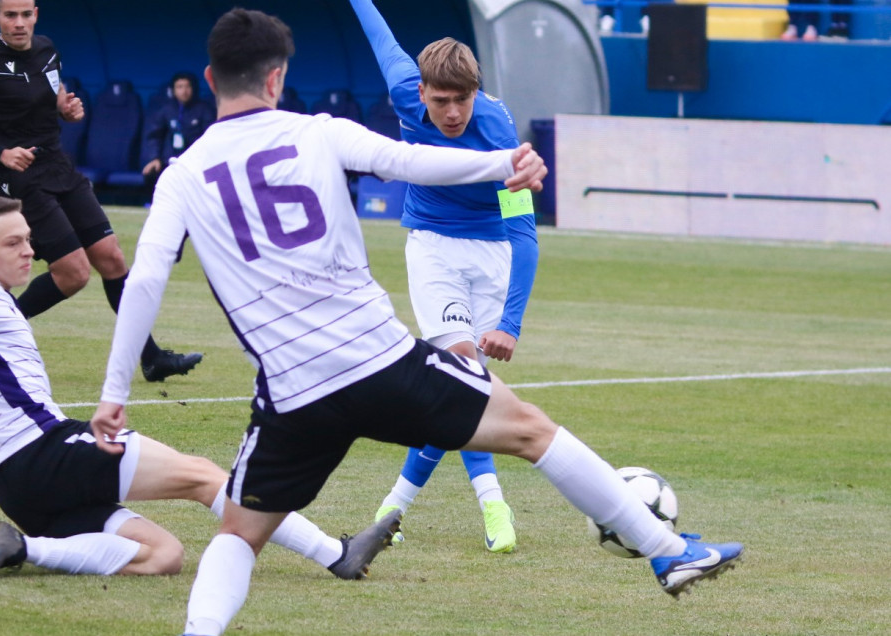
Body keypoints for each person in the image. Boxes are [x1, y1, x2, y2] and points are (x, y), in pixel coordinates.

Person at [90, 9, 744, 636]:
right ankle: (665, 550)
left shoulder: (180, 177)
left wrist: (115, 392)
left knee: (239, 534)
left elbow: (145, 280)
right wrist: (503, 164)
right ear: (276, 78)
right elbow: (409, 162)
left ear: (209, 80)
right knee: (532, 431)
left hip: (292, 394)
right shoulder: (319, 131)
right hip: (380, 363)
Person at [0, 194, 397, 580]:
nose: (31, 252)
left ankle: (26, 548)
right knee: (204, 477)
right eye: (14, 243)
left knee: (163, 555)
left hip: (16, 486)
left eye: (29, 239)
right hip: (44, 454)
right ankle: (336, 554)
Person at [350, 0, 539, 553]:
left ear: (476, 93)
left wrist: (511, 322)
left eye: (462, 99)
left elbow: (523, 232)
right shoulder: (405, 89)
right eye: (441, 100)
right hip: (432, 250)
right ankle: (494, 504)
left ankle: (393, 508)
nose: (452, 111)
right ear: (422, 93)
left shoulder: (499, 132)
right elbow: (380, 35)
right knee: (463, 370)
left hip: (492, 255)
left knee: (463, 391)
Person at [0, 0, 200, 383]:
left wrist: (67, 107)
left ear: (36, 15)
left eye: (26, 14)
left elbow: (55, 94)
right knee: (74, 274)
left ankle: (151, 358)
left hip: (59, 166)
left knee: (112, 259)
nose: (19, 23)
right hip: (22, 177)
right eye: (10, 16)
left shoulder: (47, 49)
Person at [141, 72, 216, 191]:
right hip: (170, 161)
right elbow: (155, 136)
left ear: (193, 88)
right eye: (179, 87)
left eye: (187, 86)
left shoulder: (205, 109)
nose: (184, 91)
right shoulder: (166, 110)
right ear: (174, 90)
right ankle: (153, 204)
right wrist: (154, 158)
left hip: (195, 161)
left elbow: (210, 138)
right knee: (151, 173)